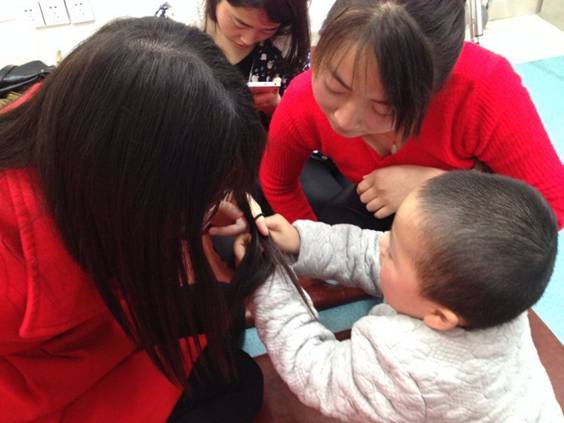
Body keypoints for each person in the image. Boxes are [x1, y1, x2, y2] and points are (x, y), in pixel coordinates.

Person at [0, 17, 295, 423]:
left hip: (92, 339)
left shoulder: (75, 119)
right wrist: (166, 259)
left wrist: (192, 220)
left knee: (229, 348)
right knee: (238, 384)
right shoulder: (15, 264)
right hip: (46, 390)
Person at [236, 171, 563, 422]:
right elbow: (369, 253)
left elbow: (316, 370)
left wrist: (266, 279)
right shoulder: (489, 296)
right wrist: (301, 241)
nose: (381, 244)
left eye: (393, 252)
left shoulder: (408, 364)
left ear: (439, 317)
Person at [259, 0, 564, 230]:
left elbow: (553, 208)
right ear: (319, 51)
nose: (345, 120)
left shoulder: (482, 89)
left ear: (433, 93)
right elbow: (277, 183)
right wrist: (315, 248)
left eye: (383, 107)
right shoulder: (302, 99)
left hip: (467, 226)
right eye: (336, 87)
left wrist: (440, 187)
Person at [170, 0, 310, 116]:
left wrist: (276, 107)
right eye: (240, 23)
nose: (248, 40)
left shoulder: (287, 46)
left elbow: (306, 118)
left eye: (268, 29)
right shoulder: (175, 26)